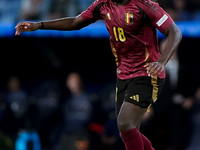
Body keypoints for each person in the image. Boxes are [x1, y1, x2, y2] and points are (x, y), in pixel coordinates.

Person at [15, 0, 182, 149]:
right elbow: (75, 22)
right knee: (128, 130)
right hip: (124, 76)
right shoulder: (102, 5)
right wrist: (40, 25)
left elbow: (175, 32)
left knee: (125, 124)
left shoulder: (145, 6)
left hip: (147, 74)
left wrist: (161, 61)